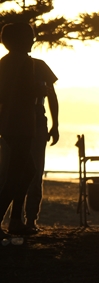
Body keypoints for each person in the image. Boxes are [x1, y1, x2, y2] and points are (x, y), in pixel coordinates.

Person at [10, 41, 60, 235]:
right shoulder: (33, 65)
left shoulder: (36, 65)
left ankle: (28, 219)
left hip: (32, 123)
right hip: (25, 122)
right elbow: (52, 96)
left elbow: (52, 96)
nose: (32, 42)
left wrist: (55, 124)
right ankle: (24, 219)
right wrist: (55, 124)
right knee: (31, 171)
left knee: (31, 171)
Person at [0, 23, 37, 237]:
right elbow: (27, 92)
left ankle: (15, 220)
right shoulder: (25, 62)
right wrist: (40, 89)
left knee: (26, 171)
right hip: (21, 124)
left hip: (8, 124)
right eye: (30, 37)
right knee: (15, 176)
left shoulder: (4, 62)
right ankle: (10, 220)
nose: (33, 40)